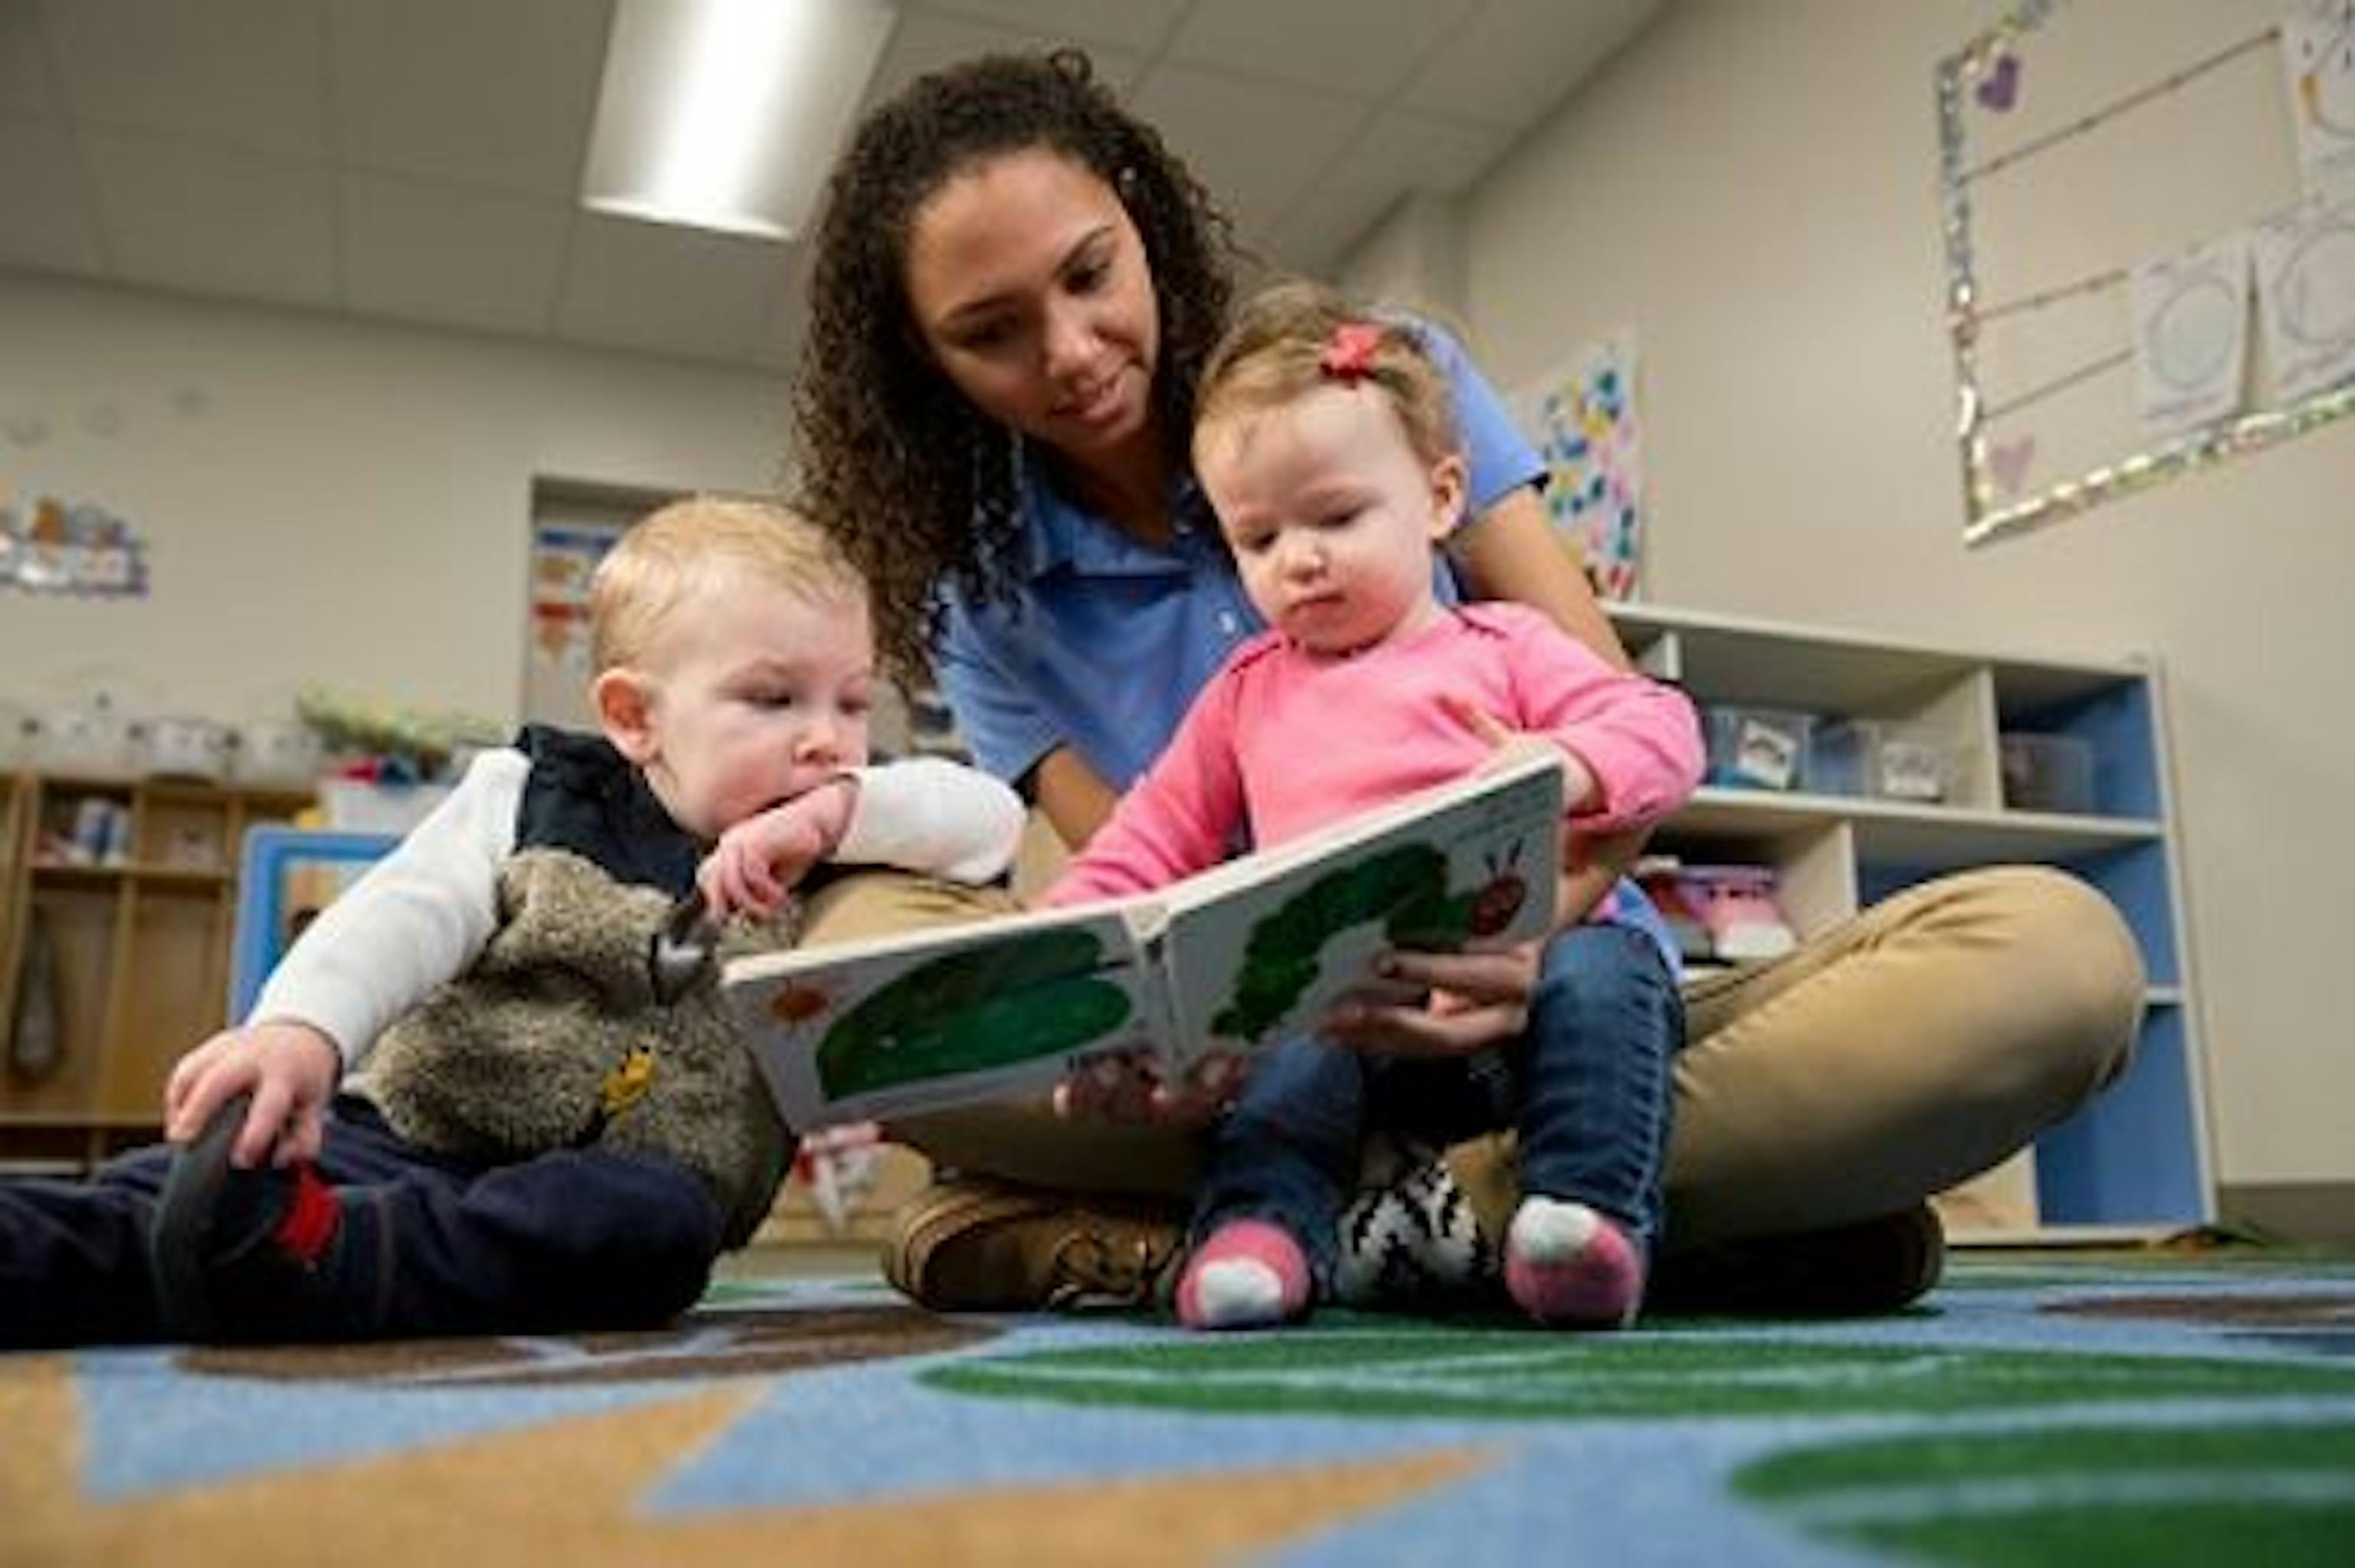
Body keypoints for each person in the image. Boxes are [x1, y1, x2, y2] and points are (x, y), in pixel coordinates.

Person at [790, 49, 2146, 1316]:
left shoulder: (1387, 384)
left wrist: (1530, 932)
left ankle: (1318, 1227)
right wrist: (1124, 1028)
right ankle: (1633, 1213)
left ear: (1140, 221)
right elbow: (1137, 880)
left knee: (2057, 967)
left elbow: (1619, 741)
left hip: (1565, 992)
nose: (1075, 350)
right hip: (1282, 1044)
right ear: (928, 364)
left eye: (1092, 274)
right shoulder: (976, 597)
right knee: (851, 986)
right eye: (993, 332)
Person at [0, 497, 1025, 1347]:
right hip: (411, 1131)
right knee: (172, 1195)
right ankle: (186, 1256)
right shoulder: (535, 795)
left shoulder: (845, 830)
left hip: (613, 1197)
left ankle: (325, 1260)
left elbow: (991, 821)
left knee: (652, 1229)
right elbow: (402, 913)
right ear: (634, 718)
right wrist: (300, 1031)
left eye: (853, 703)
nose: (826, 740)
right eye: (773, 698)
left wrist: (836, 815)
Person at [1044, 283, 1703, 1331]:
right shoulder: (1243, 694)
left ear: (1440, 500)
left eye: (1338, 517)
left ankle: (1583, 1219)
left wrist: (1569, 762)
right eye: (1258, 538)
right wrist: (1061, 944)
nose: (1299, 559)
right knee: (1280, 1048)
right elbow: (1144, 841)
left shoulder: (1508, 645)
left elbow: (1664, 729)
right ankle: (1259, 1235)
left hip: (1530, 1001)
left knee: (1607, 972)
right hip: (1354, 1021)